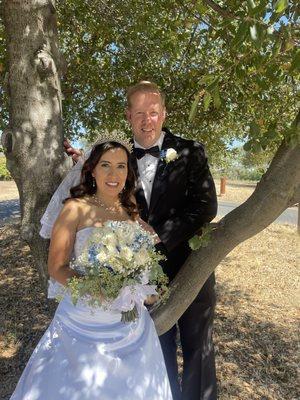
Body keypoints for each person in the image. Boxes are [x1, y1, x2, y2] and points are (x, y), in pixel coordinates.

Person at [65, 81, 218, 400]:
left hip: (191, 272)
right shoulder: (117, 161)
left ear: (163, 113)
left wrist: (159, 234)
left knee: (198, 353)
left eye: (152, 112)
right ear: (128, 116)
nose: (146, 120)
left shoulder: (190, 151)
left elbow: (206, 206)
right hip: (139, 280)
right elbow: (100, 201)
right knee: (155, 355)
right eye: (139, 114)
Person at [9, 139, 173, 400]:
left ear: (128, 173)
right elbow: (57, 268)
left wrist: (143, 283)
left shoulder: (130, 209)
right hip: (83, 322)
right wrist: (96, 289)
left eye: (121, 166)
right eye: (105, 165)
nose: (113, 174)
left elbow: (147, 252)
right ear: (91, 170)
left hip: (131, 324)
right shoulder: (74, 208)